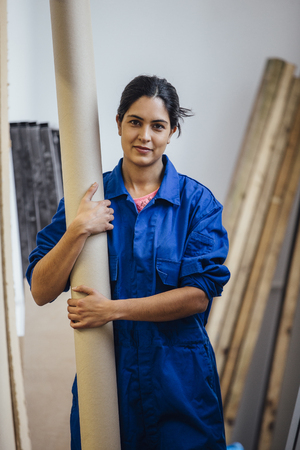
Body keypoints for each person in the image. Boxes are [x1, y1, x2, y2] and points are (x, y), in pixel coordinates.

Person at [26, 75, 230, 450]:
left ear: (172, 132)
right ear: (118, 122)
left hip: (180, 387)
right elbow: (41, 289)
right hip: (107, 384)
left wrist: (111, 310)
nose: (145, 136)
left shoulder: (197, 205)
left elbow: (197, 297)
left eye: (158, 126)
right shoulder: (86, 200)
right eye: (135, 122)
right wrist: (78, 230)